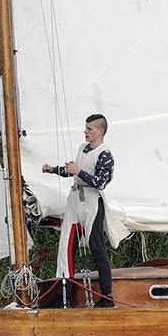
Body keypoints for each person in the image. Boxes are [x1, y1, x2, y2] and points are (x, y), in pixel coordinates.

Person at [42, 114, 116, 307]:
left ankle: (107, 297)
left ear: (100, 131)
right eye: (85, 128)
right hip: (75, 202)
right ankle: (63, 297)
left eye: (89, 129)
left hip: (91, 204)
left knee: (97, 250)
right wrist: (54, 170)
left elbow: (101, 182)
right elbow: (72, 170)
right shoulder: (83, 149)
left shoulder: (104, 154)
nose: (85, 131)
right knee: (66, 249)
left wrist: (79, 172)